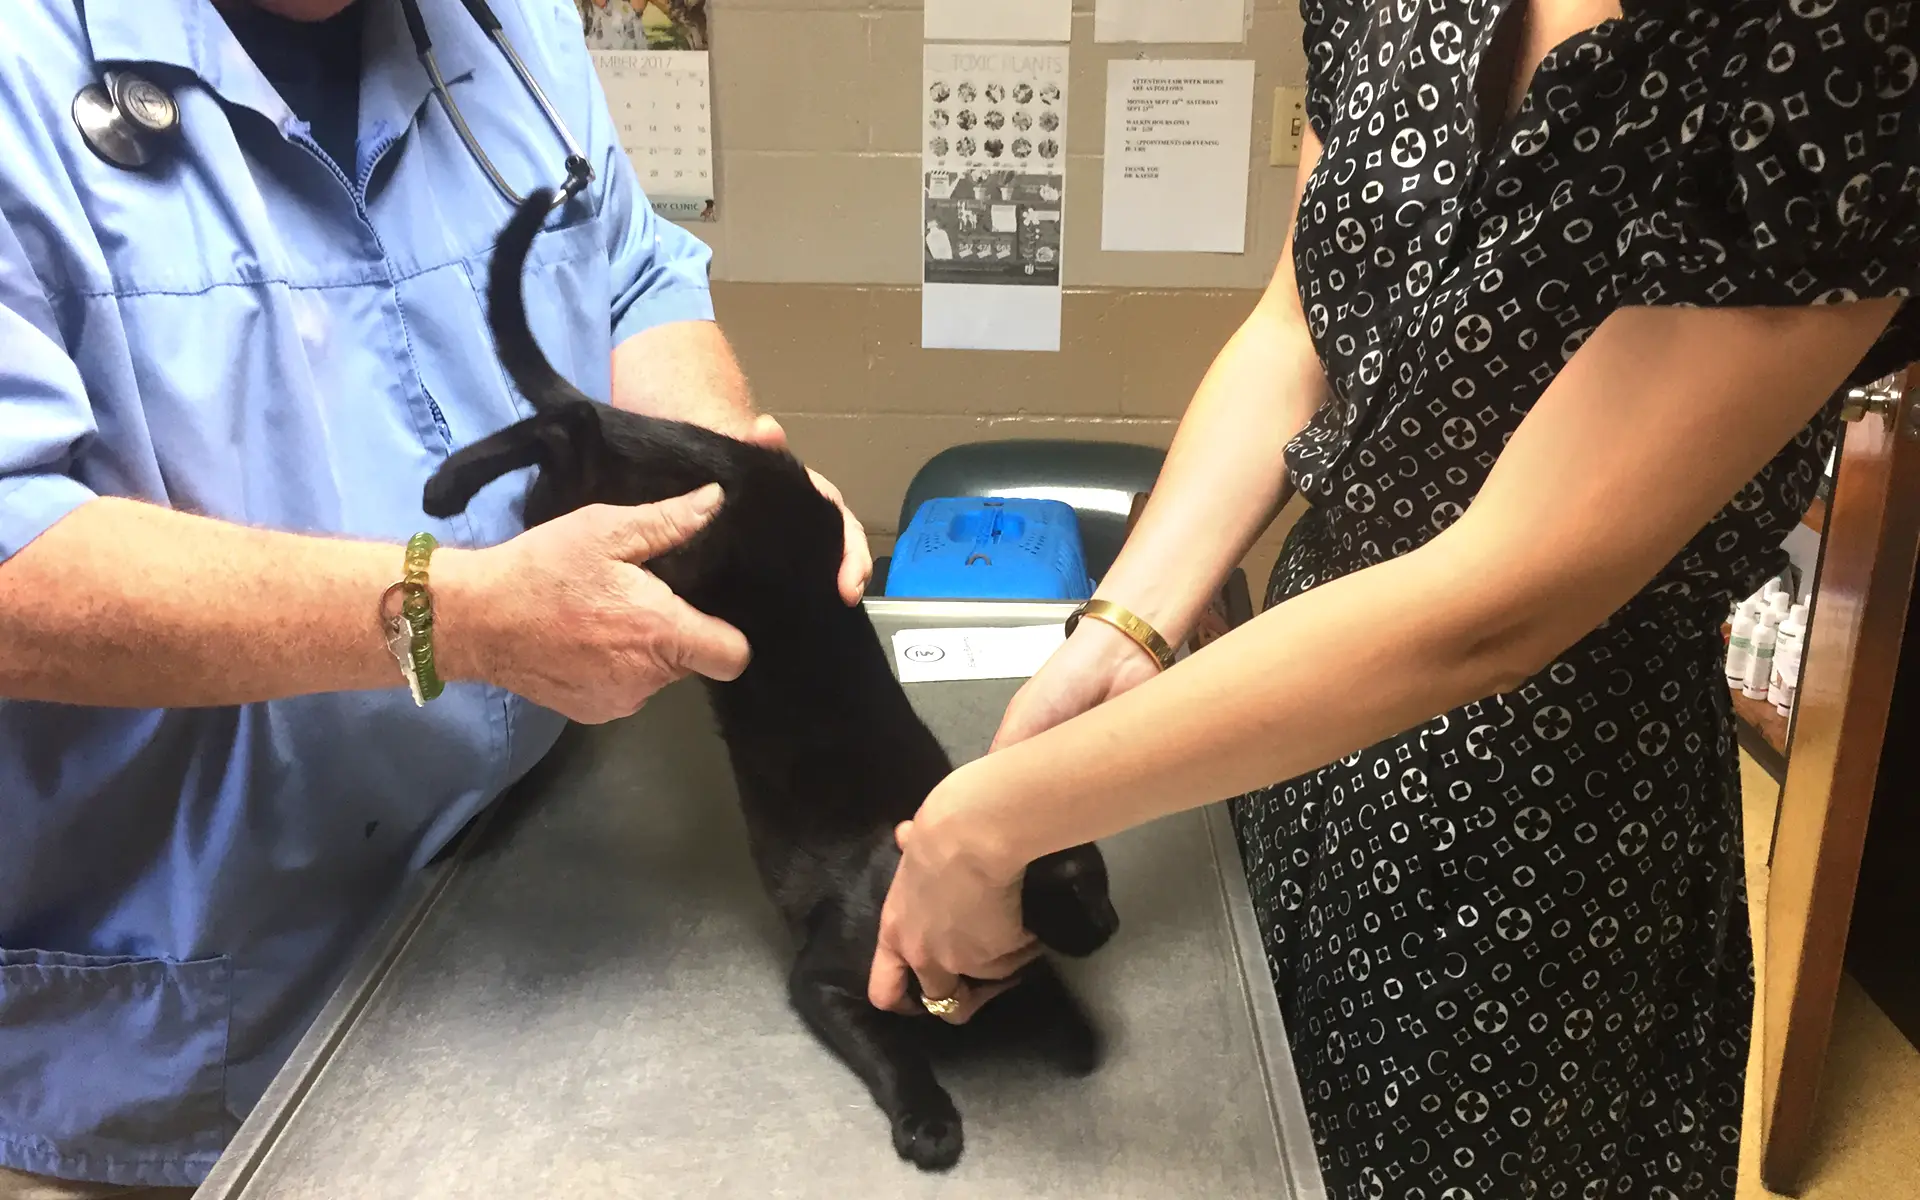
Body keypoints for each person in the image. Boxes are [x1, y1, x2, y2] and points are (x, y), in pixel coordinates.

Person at [868, 2, 1918, 1197]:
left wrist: (986, 822)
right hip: (1285, 723)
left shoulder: (1837, 41)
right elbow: (1296, 332)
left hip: (1549, 818)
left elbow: (1497, 604)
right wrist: (1127, 626)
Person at [0, 0, 868, 1194]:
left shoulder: (508, 27)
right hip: (195, 1037)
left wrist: (725, 487)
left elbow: (632, 273)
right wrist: (446, 616)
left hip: (524, 938)